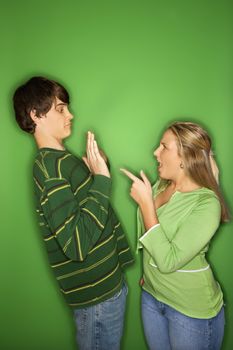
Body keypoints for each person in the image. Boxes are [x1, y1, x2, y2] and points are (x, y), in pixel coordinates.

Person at [13, 76, 134, 350]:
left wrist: (97, 171)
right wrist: (102, 180)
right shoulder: (48, 169)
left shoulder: (63, 161)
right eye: (60, 108)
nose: (70, 114)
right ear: (36, 114)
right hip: (97, 300)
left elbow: (95, 213)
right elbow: (76, 243)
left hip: (108, 289)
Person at [121, 121, 229, 350]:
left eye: (163, 147)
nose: (155, 152)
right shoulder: (161, 186)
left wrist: (146, 205)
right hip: (152, 296)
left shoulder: (207, 203)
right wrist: (150, 275)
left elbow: (168, 261)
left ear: (185, 157)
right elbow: (155, 242)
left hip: (189, 309)